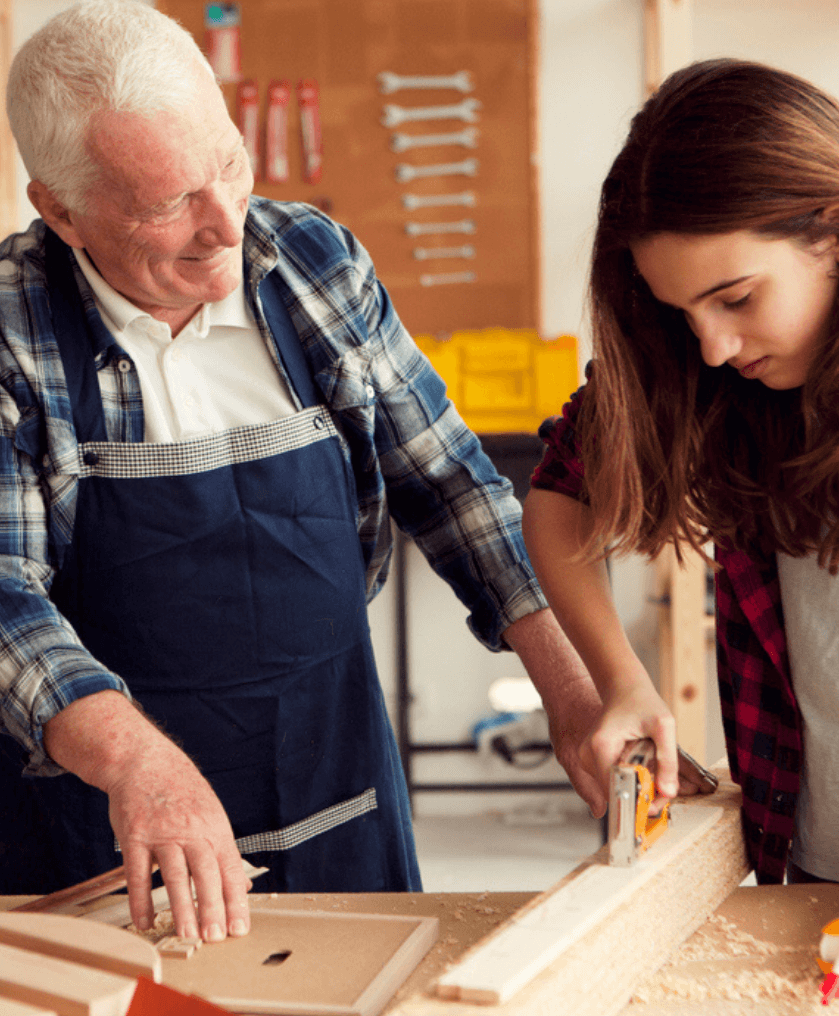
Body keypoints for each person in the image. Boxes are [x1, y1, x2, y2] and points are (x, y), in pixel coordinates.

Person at [0, 0, 605, 941]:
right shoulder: (11, 334)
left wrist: (571, 690)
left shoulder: (315, 263)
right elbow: (4, 592)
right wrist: (138, 767)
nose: (224, 225)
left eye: (230, 165)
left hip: (335, 782)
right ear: (61, 211)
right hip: (104, 823)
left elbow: (448, 483)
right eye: (168, 206)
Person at [523, 56, 839, 886]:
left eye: (735, 299)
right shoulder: (711, 378)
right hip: (810, 853)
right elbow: (561, 492)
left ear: (832, 233)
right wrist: (619, 681)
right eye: (681, 312)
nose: (713, 346)